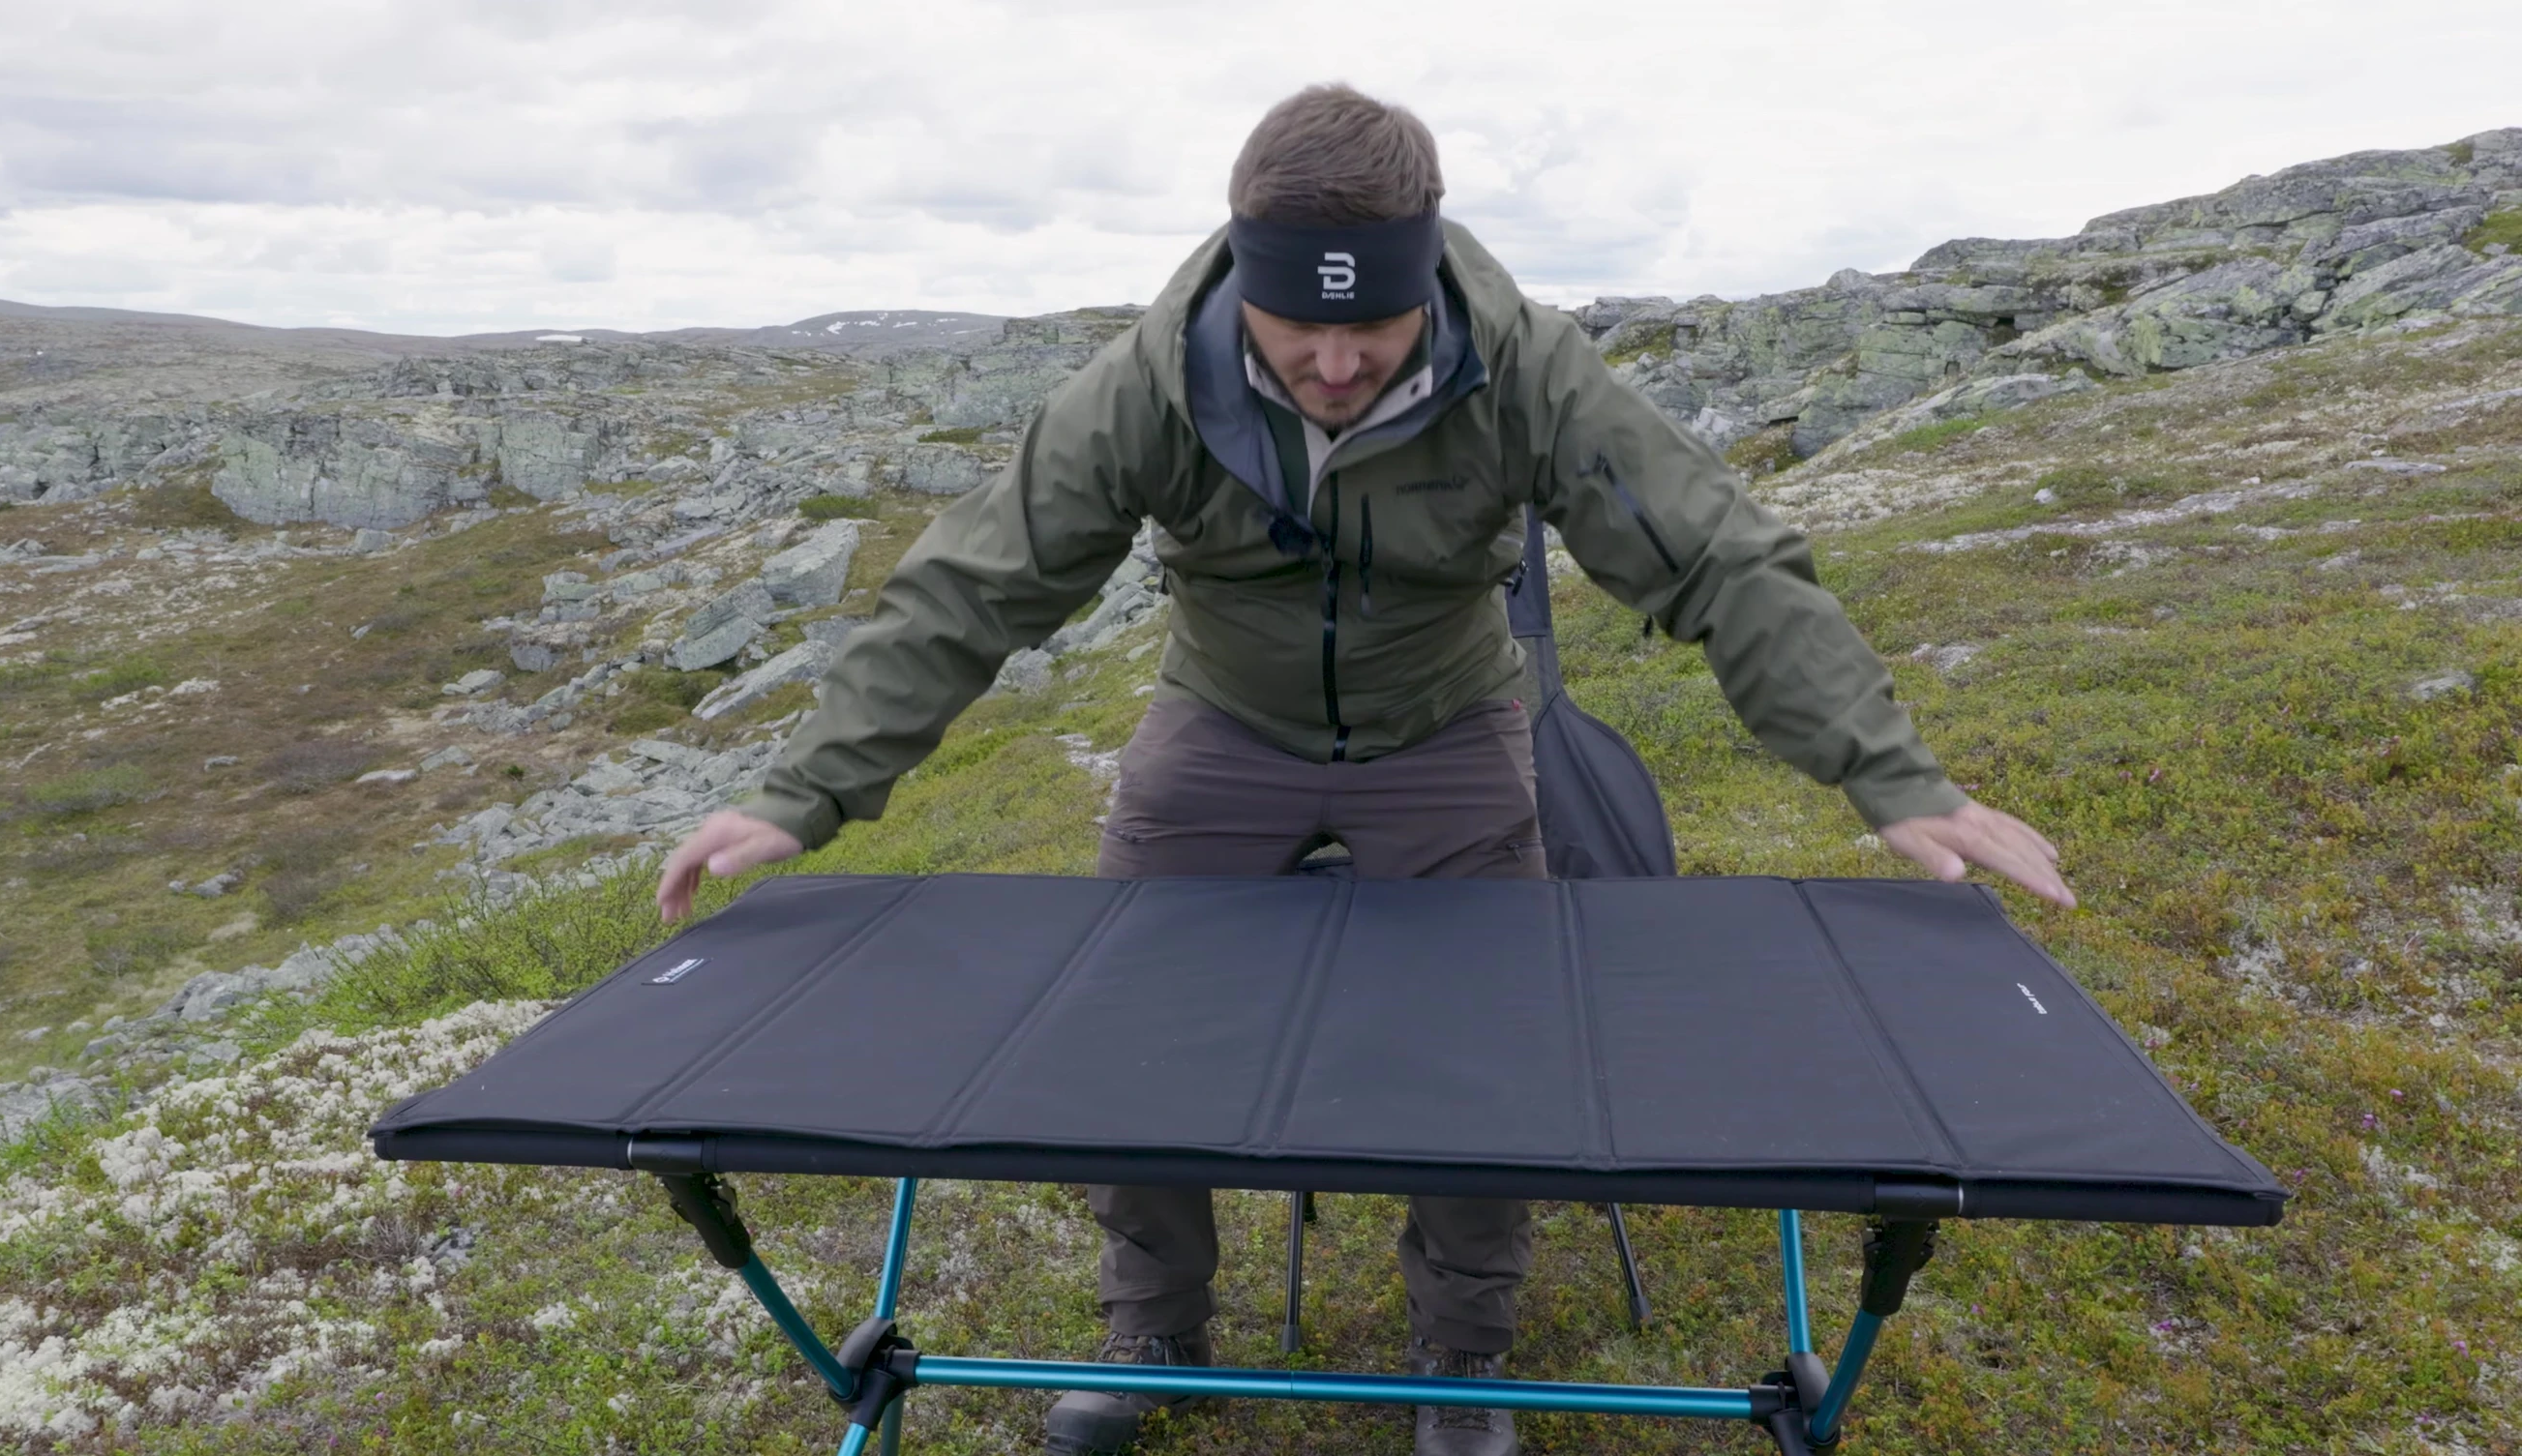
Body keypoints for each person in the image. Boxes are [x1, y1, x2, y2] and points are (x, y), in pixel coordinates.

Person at [656, 82, 2072, 1456]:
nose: (1336, 367)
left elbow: (1714, 552)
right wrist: (804, 790)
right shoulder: (1143, 387)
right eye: (1298, 333)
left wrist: (1890, 776)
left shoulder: (1525, 368)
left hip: (1445, 733)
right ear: (1241, 283)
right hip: (1219, 729)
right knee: (1135, 1025)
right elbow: (975, 587)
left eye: (1375, 330)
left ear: (1429, 281)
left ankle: (1460, 1357)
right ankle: (1152, 1331)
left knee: (1481, 1041)